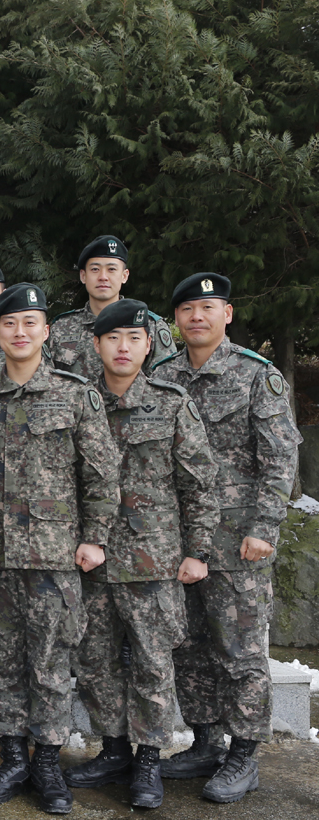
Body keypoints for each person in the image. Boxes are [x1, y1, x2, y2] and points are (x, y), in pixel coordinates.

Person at [0, 283, 120, 815]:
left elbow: (101, 475)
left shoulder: (76, 395)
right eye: (10, 324)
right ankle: (12, 757)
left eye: (30, 323)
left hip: (55, 558)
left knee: (51, 664)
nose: (20, 332)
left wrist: (96, 537)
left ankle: (48, 760)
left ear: (46, 332)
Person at [151, 273, 302, 803]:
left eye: (207, 308)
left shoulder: (256, 376)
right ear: (176, 319)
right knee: (189, 646)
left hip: (238, 541)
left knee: (239, 650)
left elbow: (280, 458)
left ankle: (243, 754)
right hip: (177, 541)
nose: (197, 316)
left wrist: (264, 529)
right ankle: (205, 741)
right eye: (187, 308)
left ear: (228, 314)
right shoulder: (163, 376)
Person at [62, 300, 219, 809]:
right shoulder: (78, 404)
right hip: (91, 562)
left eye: (133, 338)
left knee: (153, 664)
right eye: (113, 339)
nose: (123, 347)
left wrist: (197, 551)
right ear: (96, 345)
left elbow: (199, 487)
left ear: (149, 345)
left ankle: (148, 759)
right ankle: (113, 750)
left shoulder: (172, 404)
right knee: (95, 661)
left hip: (153, 563)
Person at [48, 236, 176, 377]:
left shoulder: (150, 326)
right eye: (95, 269)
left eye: (111, 269)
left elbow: (166, 385)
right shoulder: (61, 327)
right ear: (83, 276)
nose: (103, 277)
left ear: (124, 276)